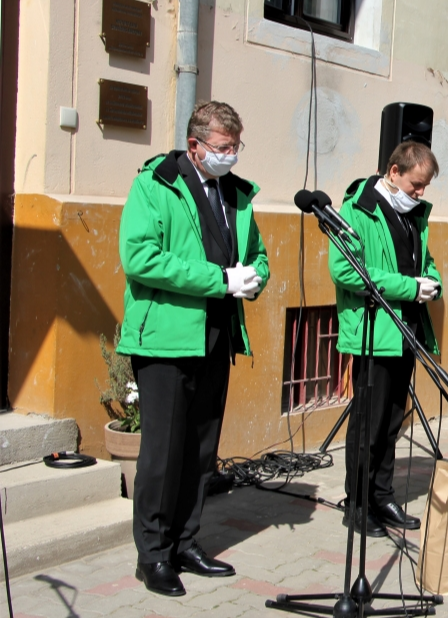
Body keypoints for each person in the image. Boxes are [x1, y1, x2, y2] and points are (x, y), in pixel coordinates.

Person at [117, 101, 269, 596]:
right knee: (162, 454)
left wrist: (253, 278)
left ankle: (185, 540)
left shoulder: (236, 194)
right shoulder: (156, 183)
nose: (232, 157)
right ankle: (154, 554)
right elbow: (140, 257)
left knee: (201, 453)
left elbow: (258, 255)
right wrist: (218, 279)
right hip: (165, 339)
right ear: (195, 146)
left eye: (236, 147)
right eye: (224, 148)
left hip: (215, 336)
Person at [330, 141, 443, 537]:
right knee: (368, 424)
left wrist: (432, 282)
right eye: (415, 184)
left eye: (425, 187)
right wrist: (409, 287)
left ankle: (382, 494)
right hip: (373, 334)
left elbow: (423, 261)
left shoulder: (412, 214)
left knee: (393, 422)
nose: (420, 194)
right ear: (393, 172)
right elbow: (347, 271)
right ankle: (357, 504)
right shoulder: (356, 210)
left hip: (406, 332)